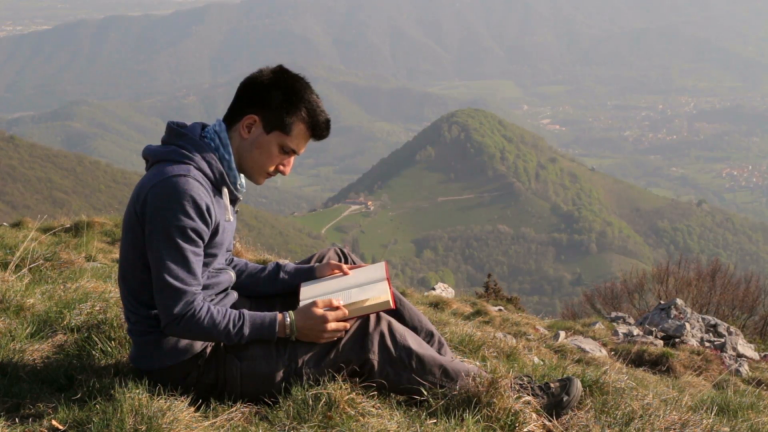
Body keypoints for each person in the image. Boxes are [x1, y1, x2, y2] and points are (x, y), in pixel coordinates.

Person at [117, 65, 582, 418]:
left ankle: (454, 369)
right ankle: (506, 399)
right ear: (250, 126)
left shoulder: (213, 172)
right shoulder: (182, 190)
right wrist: (288, 325)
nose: (286, 168)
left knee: (341, 266)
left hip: (222, 326)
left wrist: (308, 274)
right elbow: (180, 314)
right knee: (362, 328)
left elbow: (222, 271)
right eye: (285, 151)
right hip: (189, 364)